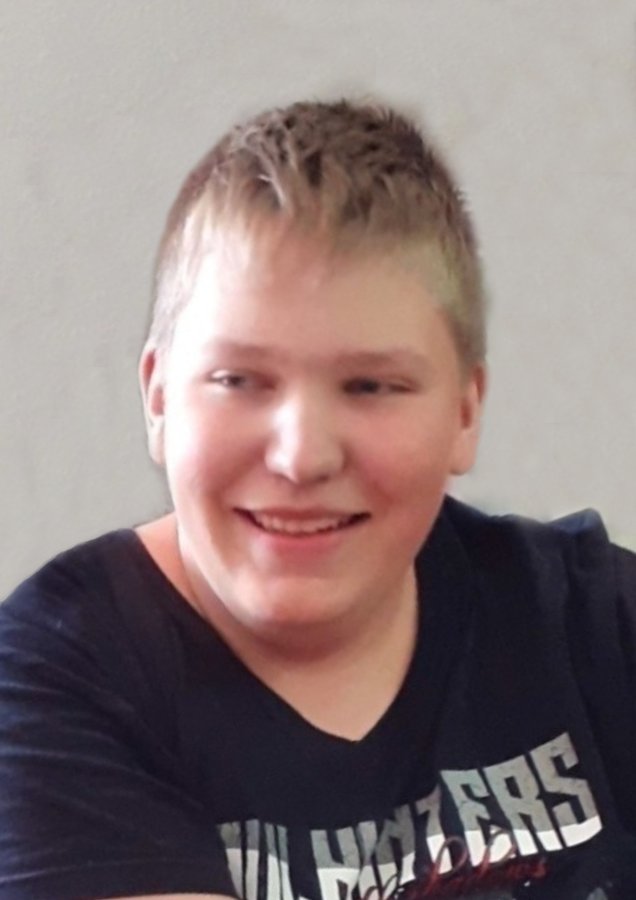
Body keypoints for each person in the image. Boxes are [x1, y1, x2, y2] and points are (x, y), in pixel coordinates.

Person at [0, 99, 635, 900]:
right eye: (239, 380)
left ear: (464, 414)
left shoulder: (592, 624)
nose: (301, 456)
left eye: (371, 386)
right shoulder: (54, 681)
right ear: (159, 399)